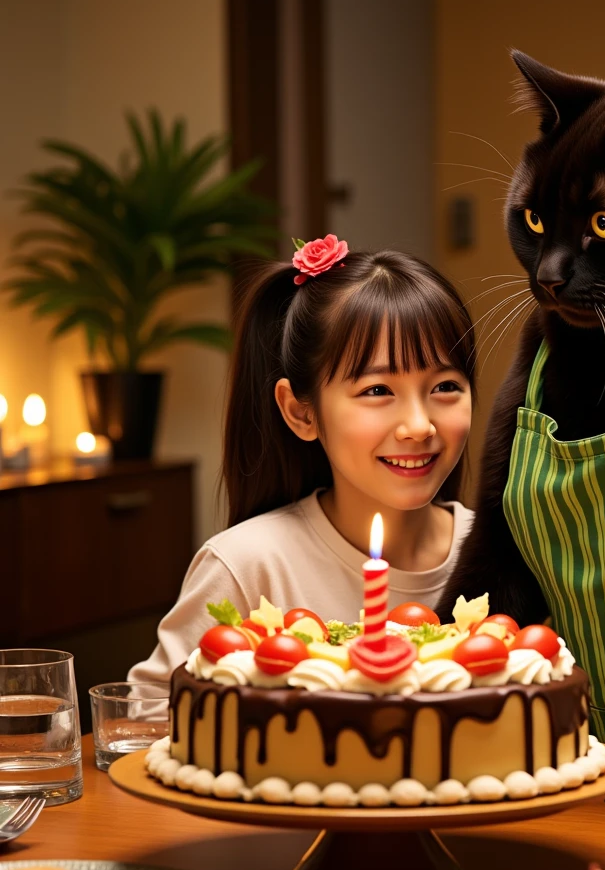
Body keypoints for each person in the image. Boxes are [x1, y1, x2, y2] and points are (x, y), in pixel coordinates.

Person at [129, 239, 476, 683]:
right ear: (301, 411)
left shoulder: (508, 552)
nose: (419, 426)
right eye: (377, 391)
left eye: (445, 386)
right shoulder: (248, 567)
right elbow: (152, 716)